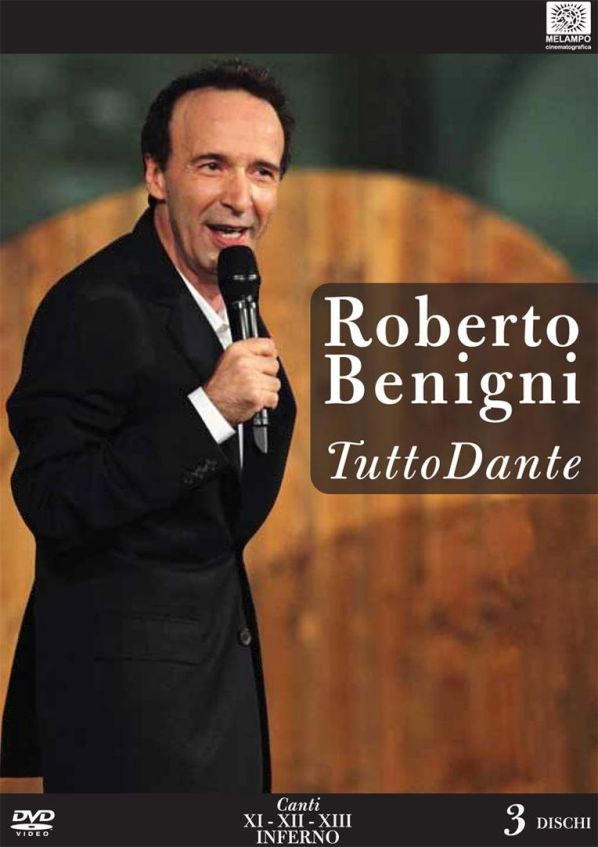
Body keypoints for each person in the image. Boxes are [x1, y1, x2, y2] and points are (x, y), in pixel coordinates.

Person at [1, 60, 296, 792]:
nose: (241, 197)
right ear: (157, 175)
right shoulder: (95, 306)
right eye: (212, 165)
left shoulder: (234, 300)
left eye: (262, 171)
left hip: (212, 697)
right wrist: (208, 412)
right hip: (124, 721)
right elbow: (53, 497)